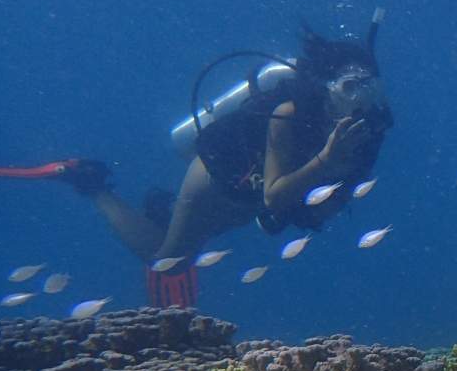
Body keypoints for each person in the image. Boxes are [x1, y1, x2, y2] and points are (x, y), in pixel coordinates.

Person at [52, 22, 393, 307]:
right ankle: (93, 184)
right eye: (350, 87)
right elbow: (275, 195)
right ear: (327, 88)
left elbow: (333, 191)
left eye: (369, 88)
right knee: (169, 261)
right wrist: (326, 161)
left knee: (196, 239)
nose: (359, 98)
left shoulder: (369, 130)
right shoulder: (289, 114)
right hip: (217, 179)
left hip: (249, 196)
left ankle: (165, 209)